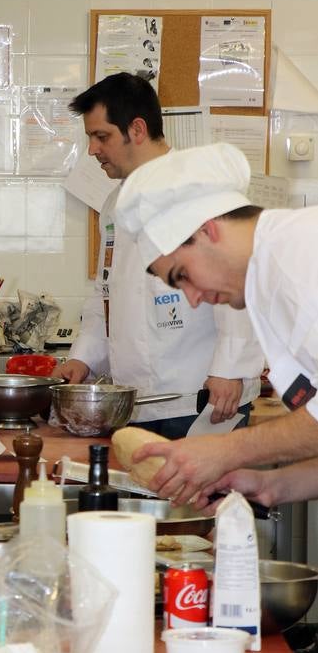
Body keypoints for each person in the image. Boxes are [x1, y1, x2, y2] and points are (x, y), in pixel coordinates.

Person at [53, 73, 263, 438]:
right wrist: (83, 358)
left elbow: (239, 279)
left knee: (204, 495)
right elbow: (107, 291)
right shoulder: (114, 204)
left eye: (101, 136)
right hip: (136, 402)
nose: (92, 150)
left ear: (136, 129)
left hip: (203, 397)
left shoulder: (198, 186)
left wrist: (231, 368)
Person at [114, 141, 318, 511]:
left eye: (182, 275)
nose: (192, 299)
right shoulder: (268, 275)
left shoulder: (299, 256)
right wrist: (273, 485)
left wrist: (226, 450)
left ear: (208, 230)